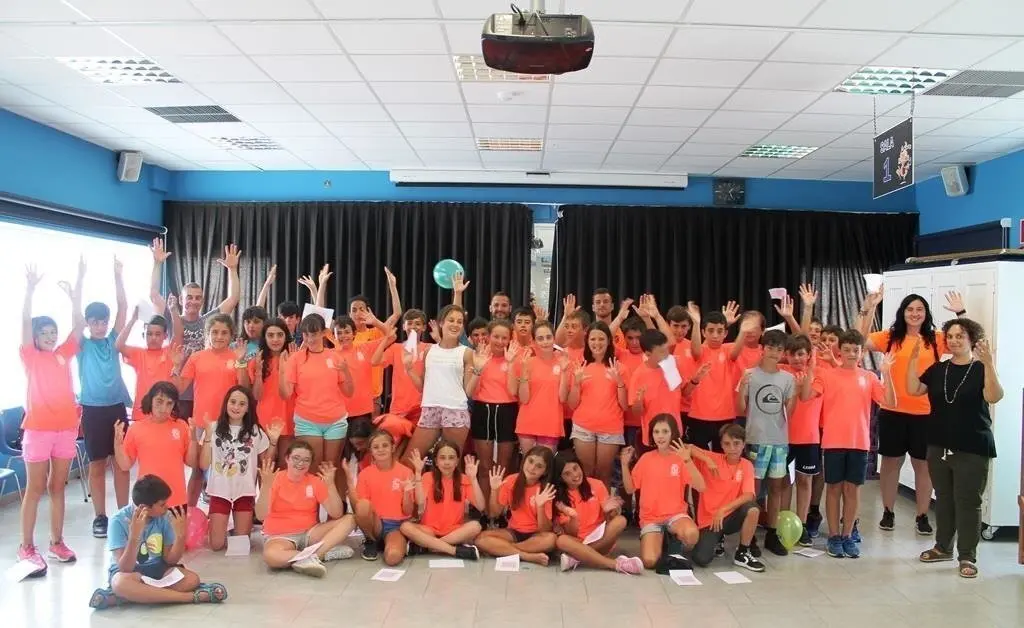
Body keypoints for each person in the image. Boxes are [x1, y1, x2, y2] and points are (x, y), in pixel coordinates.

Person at [858, 289, 964, 535]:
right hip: (892, 410)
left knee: (923, 466)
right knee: (891, 464)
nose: (915, 314)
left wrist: (960, 311)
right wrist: (869, 307)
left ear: (926, 314)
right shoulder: (891, 337)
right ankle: (888, 511)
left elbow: (968, 339)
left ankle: (922, 515)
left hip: (926, 414)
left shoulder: (936, 339)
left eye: (919, 310)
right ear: (902, 313)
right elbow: (860, 340)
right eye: (910, 309)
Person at [903, 319, 1002, 578]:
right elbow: (913, 389)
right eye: (950, 336)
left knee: (968, 501)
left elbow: (994, 396)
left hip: (973, 446)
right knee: (944, 499)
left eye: (960, 336)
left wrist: (989, 363)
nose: (954, 340)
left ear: (972, 339)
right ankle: (943, 547)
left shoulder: (980, 368)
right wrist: (912, 360)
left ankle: (967, 556)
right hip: (938, 445)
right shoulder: (938, 369)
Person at [18, 261, 85, 575]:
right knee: (35, 488)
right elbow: (23, 323)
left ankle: (56, 542)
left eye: (52, 332)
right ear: (34, 336)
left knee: (57, 486)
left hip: (65, 430)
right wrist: (30, 290)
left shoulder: (63, 353)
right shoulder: (30, 356)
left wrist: (76, 293)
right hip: (38, 430)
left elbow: (79, 326)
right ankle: (26, 547)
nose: (49, 335)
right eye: (43, 332)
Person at [88, 475, 227, 609]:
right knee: (120, 583)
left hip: (158, 570)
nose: (166, 507)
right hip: (130, 574)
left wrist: (180, 537)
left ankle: (125, 597)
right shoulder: (117, 521)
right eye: (162, 504)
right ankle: (189, 597)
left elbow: (170, 560)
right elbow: (125, 568)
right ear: (144, 507)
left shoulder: (163, 517)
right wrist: (134, 537)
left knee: (191, 579)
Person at [820, 330, 895, 559]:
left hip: (859, 443)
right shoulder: (828, 375)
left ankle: (847, 534)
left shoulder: (869, 377)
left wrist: (887, 374)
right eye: (847, 349)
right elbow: (806, 397)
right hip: (833, 441)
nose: (851, 354)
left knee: (852, 490)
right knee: (833, 489)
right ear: (839, 351)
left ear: (862, 353)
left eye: (856, 350)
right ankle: (833, 535)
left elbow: (890, 401)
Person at [149, 238, 240, 420]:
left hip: (204, 391)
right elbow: (153, 295)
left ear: (202, 301)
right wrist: (157, 263)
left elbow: (233, 298)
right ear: (182, 300)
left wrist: (232, 269)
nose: (193, 301)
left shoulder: (209, 321)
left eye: (198, 298)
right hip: (177, 392)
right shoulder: (171, 316)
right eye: (189, 297)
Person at [78, 257, 133, 539]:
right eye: (95, 322)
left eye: (104, 322)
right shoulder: (82, 344)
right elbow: (75, 316)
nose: (100, 326)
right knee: (97, 464)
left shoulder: (114, 340)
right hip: (92, 410)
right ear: (88, 323)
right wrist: (79, 279)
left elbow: (123, 308)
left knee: (121, 462)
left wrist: (117, 276)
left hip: (116, 407)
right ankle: (100, 516)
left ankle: (124, 512)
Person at [736, 329, 798, 556]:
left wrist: (795, 395)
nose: (774, 353)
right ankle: (749, 536)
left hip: (780, 441)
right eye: (770, 348)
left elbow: (789, 412)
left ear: (783, 353)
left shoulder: (788, 378)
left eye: (779, 349)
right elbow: (740, 409)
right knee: (753, 491)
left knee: (776, 488)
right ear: (762, 349)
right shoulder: (750, 374)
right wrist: (742, 386)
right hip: (755, 440)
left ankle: (772, 533)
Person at [257, 441, 357, 578]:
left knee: (350, 519)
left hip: (310, 533)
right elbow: (261, 515)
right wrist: (266, 486)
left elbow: (336, 513)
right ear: (287, 458)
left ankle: (315, 555)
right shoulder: (275, 479)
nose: (300, 463)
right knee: (271, 557)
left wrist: (330, 484)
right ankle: (318, 554)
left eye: (306, 460)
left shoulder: (314, 481)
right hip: (280, 536)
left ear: (310, 463)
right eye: (296, 458)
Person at [620, 414, 706, 571]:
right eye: (656, 432)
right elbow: (630, 489)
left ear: (673, 433)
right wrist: (624, 465)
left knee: (692, 535)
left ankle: (672, 538)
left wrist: (687, 461)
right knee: (650, 561)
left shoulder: (680, 457)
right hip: (651, 518)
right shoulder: (646, 458)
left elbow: (701, 486)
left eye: (665, 431)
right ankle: (664, 540)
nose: (660, 436)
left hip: (675, 515)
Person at [174, 313, 243, 506]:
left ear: (231, 335)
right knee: (197, 470)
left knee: (227, 471)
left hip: (229, 424)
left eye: (224, 333)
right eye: (214, 332)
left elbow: (244, 387)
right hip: (201, 424)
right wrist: (176, 364)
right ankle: (189, 513)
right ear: (207, 334)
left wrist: (241, 362)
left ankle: (225, 519)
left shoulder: (236, 356)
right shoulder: (196, 358)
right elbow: (179, 388)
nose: (219, 336)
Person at [403, 305, 486, 462]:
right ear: (441, 322)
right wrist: (408, 369)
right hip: (430, 410)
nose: (455, 324)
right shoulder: (429, 351)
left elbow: (468, 392)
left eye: (459, 322)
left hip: (455, 411)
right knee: (409, 461)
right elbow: (422, 386)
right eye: (451, 320)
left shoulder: (466, 353)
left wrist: (478, 370)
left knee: (451, 465)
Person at [199, 386, 278, 551]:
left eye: (242, 404)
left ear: (248, 408)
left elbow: (266, 462)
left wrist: (273, 442)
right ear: (226, 403)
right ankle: (217, 525)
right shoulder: (213, 428)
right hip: (219, 491)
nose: (236, 407)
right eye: (233, 402)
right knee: (216, 545)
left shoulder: (256, 431)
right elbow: (204, 464)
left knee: (242, 544)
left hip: (245, 492)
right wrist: (207, 437)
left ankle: (235, 525)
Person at [280, 314, 355, 488]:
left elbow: (349, 392)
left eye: (313, 334)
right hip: (307, 421)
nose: (309, 339)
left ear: (324, 333)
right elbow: (286, 394)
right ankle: (310, 512)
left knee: (331, 468)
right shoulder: (296, 359)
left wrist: (347, 371)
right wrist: (282, 372)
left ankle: (334, 512)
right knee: (312, 469)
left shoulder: (335, 357)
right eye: (306, 335)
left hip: (335, 421)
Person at [551, 450, 642, 575]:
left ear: (580, 466)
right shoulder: (559, 497)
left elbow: (609, 519)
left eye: (575, 468)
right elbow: (571, 533)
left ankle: (578, 557)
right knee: (561, 541)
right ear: (561, 478)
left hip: (600, 539)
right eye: (567, 474)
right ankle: (615, 564)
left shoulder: (596, 484)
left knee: (621, 520)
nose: (575, 475)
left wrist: (610, 511)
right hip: (577, 541)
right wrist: (573, 516)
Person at [689, 424, 764, 572]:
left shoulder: (746, 465)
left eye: (736, 443)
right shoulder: (713, 458)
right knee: (701, 559)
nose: (732, 448)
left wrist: (723, 509)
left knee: (752, 509)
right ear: (721, 445)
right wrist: (707, 459)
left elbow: (749, 494)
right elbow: (687, 447)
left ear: (743, 444)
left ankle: (743, 553)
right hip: (710, 521)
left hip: (730, 516)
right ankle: (718, 539)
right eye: (727, 444)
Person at [561, 322, 627, 487]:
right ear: (587, 341)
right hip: (584, 427)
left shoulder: (619, 368)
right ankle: (586, 510)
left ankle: (601, 512)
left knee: (604, 473)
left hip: (610, 429)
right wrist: (576, 384)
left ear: (609, 341)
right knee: (586, 472)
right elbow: (572, 404)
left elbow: (625, 406)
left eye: (601, 339)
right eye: (593, 339)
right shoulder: (579, 366)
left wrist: (619, 382)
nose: (597, 343)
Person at [114, 382, 197, 511]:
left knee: (177, 532)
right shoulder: (136, 428)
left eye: (169, 403)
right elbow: (125, 465)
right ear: (150, 400)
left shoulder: (181, 426)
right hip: (147, 501)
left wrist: (193, 440)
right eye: (159, 401)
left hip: (177, 499)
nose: (163, 408)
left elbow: (191, 462)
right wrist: (117, 444)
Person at [399, 441, 484, 560]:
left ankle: (429, 546)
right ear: (436, 461)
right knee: (405, 526)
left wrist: (473, 479)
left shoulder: (464, 479)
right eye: (442, 458)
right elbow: (420, 502)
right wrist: (418, 473)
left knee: (476, 526)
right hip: (429, 531)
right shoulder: (428, 477)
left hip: (454, 531)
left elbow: (481, 506)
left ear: (457, 461)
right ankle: (454, 550)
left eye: (451, 458)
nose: (447, 462)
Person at [475, 446, 558, 565]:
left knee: (551, 539)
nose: (532, 467)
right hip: (513, 532)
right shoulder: (511, 480)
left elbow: (544, 530)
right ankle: (526, 556)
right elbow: (494, 513)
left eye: (539, 466)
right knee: (481, 539)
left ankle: (505, 550)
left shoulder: (545, 489)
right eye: (530, 461)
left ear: (545, 471)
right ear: (524, 460)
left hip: (536, 535)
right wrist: (495, 490)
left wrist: (540, 506)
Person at [780, 334, 824, 547]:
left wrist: (808, 375)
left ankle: (803, 523)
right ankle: (783, 523)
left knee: (804, 481)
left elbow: (806, 396)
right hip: (784, 437)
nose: (796, 359)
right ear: (785, 355)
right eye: (792, 354)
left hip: (808, 438)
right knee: (784, 482)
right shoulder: (782, 373)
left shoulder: (818, 375)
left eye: (801, 354)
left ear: (808, 355)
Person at [470, 319, 519, 505]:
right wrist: (478, 367)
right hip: (483, 410)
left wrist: (511, 363)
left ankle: (500, 508)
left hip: (507, 411)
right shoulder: (478, 356)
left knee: (503, 467)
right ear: (488, 336)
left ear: (510, 339)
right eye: (496, 336)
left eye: (504, 337)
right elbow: (471, 391)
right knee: (485, 466)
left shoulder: (515, 358)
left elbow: (514, 391)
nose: (499, 341)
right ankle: (483, 508)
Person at [628, 330, 703, 451]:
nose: (667, 354)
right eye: (662, 352)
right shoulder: (638, 375)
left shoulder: (671, 365)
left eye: (666, 349)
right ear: (648, 353)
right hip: (654, 436)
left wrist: (695, 380)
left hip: (675, 432)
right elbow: (637, 413)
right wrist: (638, 401)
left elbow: (684, 393)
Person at [350, 430, 414, 564]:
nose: (380, 450)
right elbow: (361, 508)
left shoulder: (406, 472)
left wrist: (407, 493)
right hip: (375, 523)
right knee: (363, 505)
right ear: (371, 451)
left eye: (385, 445)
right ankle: (370, 540)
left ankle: (393, 544)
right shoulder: (365, 474)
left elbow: (408, 511)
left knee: (393, 558)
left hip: (396, 525)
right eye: (376, 447)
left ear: (393, 447)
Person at [116, 298, 183, 422]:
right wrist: (133, 320)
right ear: (144, 335)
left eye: (158, 334)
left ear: (165, 336)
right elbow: (119, 345)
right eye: (149, 334)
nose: (153, 338)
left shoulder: (169, 352)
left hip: (165, 413)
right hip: (142, 413)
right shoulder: (139, 354)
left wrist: (173, 310)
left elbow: (178, 334)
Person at [686, 305, 742, 452]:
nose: (715, 335)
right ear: (703, 332)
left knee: (723, 459)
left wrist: (744, 330)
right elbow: (695, 349)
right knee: (698, 460)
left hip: (725, 416)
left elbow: (737, 350)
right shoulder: (700, 351)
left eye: (719, 331)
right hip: (699, 416)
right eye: (710, 331)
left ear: (726, 333)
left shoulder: (729, 349)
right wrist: (696, 323)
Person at [239, 319, 295, 466]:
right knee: (264, 466)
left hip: (289, 418)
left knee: (285, 465)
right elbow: (256, 396)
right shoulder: (257, 360)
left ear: (286, 336)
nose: (275, 339)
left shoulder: (294, 358)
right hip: (264, 419)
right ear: (264, 337)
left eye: (279, 335)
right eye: (270, 335)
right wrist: (258, 374)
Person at [332, 314, 394, 446]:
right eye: (339, 333)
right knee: (342, 451)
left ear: (354, 333)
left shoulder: (365, 348)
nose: (343, 336)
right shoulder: (330, 354)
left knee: (364, 450)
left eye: (347, 332)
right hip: (339, 413)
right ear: (334, 335)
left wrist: (376, 322)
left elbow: (391, 336)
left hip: (363, 411)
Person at [510, 321, 566, 452]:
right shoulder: (526, 362)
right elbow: (524, 399)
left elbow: (563, 398)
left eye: (548, 337)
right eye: (540, 338)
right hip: (527, 422)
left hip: (551, 423)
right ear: (533, 341)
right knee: (528, 466)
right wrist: (524, 373)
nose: (545, 342)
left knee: (546, 467)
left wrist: (564, 372)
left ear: (554, 338)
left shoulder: (563, 362)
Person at [372, 309, 429, 424]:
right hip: (399, 408)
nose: (413, 326)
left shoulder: (430, 348)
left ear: (424, 327)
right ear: (404, 326)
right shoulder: (396, 348)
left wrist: (438, 339)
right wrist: (386, 339)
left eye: (418, 323)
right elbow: (375, 361)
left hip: (422, 407)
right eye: (410, 323)